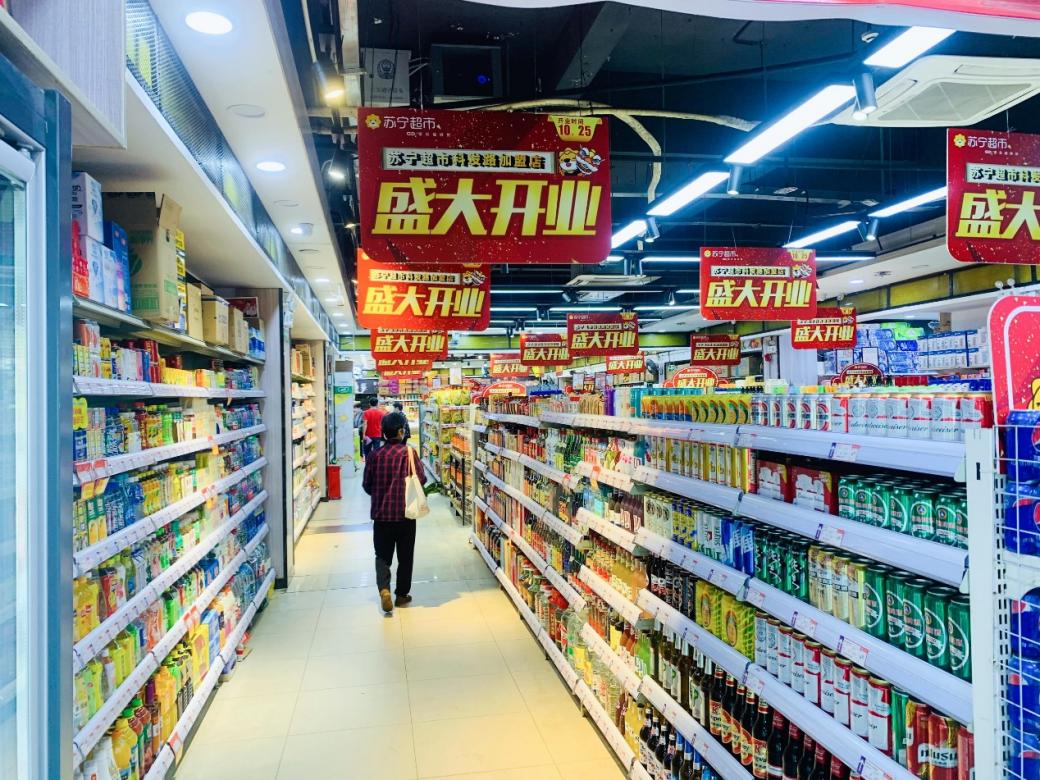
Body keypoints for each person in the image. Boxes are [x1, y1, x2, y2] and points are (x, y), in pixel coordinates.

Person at [362, 411, 426, 613]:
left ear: (383, 432)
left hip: (381, 517)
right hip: (406, 515)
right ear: (401, 431)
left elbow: (367, 485)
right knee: (405, 557)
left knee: (382, 556)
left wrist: (380, 493)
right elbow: (421, 479)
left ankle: (384, 590)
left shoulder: (374, 456)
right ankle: (401, 595)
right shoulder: (409, 453)